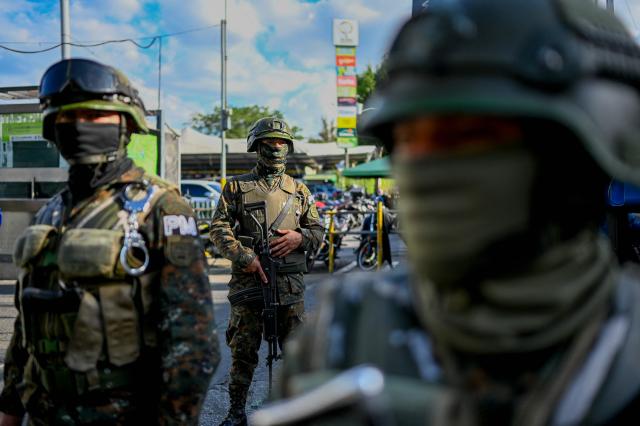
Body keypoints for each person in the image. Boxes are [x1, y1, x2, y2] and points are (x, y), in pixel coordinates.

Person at [253, 0, 640, 424]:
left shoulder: (625, 347)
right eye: (409, 140)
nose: (427, 166)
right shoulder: (346, 331)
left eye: (470, 136)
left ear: (577, 159)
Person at [0, 58, 219, 425]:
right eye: (66, 116)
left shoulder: (160, 208)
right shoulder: (50, 213)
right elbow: (26, 326)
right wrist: (9, 409)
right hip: (45, 414)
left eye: (94, 114)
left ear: (125, 123)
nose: (78, 124)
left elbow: (192, 346)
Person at [210, 117, 323, 426]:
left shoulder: (298, 190)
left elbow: (317, 231)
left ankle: (300, 412)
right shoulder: (235, 186)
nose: (276, 147)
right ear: (256, 146)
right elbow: (218, 228)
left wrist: (301, 238)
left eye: (281, 142)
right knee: (243, 353)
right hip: (249, 284)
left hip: (289, 286)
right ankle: (235, 413)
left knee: (297, 354)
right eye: (270, 142)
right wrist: (244, 256)